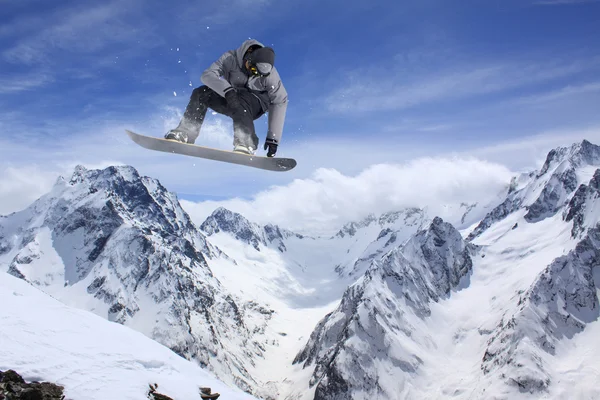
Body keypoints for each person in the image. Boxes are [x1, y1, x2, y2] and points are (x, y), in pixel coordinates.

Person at [165, 39, 288, 157]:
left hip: (256, 105)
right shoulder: (230, 58)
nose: (253, 74)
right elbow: (207, 75)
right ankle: (186, 132)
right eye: (253, 69)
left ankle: (246, 142)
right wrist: (227, 91)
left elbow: (280, 101)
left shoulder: (271, 75)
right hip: (232, 98)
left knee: (243, 97)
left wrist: (273, 138)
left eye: (258, 74)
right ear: (248, 57)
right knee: (201, 93)